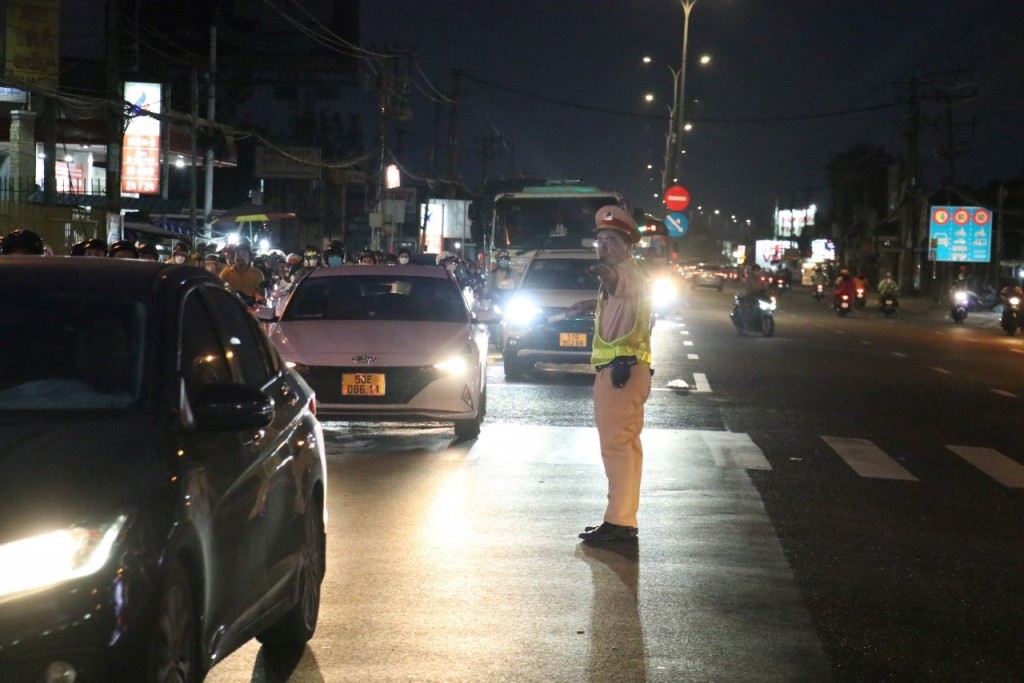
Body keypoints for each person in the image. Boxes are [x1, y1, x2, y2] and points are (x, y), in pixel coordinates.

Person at [565, 205, 652, 543]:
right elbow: (618, 296)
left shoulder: (625, 272)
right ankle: (623, 519)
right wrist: (591, 301)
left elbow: (616, 282)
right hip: (628, 373)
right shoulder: (631, 273)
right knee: (626, 449)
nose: (602, 246)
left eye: (611, 241)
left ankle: (618, 523)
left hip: (620, 374)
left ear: (627, 246)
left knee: (615, 449)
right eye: (599, 241)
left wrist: (602, 270)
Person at [219, 239, 265, 304]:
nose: (241, 257)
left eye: (244, 254)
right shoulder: (225, 274)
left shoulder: (257, 274)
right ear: (233, 257)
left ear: (249, 257)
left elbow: (261, 295)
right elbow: (220, 293)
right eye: (238, 254)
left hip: (250, 308)